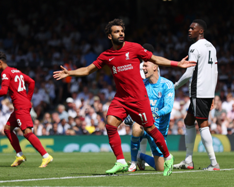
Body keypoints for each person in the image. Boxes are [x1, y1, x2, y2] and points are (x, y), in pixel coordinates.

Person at [53, 19, 195, 176]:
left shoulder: (134, 48)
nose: (121, 34)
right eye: (116, 32)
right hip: (121, 98)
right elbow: (87, 70)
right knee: (110, 123)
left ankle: (168, 156)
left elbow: (154, 59)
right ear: (109, 36)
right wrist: (69, 72)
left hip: (138, 98)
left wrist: (177, 64)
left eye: (122, 31)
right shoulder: (106, 55)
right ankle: (120, 161)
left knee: (150, 128)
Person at [0, 51, 53, 168]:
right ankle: (20, 155)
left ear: (0, 62)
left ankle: (46, 156)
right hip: (21, 105)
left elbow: (4, 91)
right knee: (8, 129)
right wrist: (27, 98)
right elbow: (31, 82)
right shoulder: (16, 71)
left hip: (20, 106)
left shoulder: (5, 73)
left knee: (27, 132)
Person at [173, 19, 220, 171]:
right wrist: (212, 94)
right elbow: (215, 72)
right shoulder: (211, 47)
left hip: (198, 90)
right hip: (206, 91)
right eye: (189, 28)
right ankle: (188, 160)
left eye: (192, 28)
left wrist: (175, 86)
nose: (189, 30)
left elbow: (188, 73)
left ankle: (214, 163)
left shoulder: (194, 47)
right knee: (188, 120)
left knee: (203, 125)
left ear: (201, 31)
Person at [125, 43, 175, 172]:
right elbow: (133, 104)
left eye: (145, 65)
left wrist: (153, 114)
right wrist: (129, 115)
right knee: (137, 126)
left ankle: (141, 156)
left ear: (155, 66)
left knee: (160, 168)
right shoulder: (141, 85)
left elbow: (168, 108)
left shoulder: (167, 85)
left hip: (158, 131)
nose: (143, 68)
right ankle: (133, 162)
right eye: (142, 66)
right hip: (144, 125)